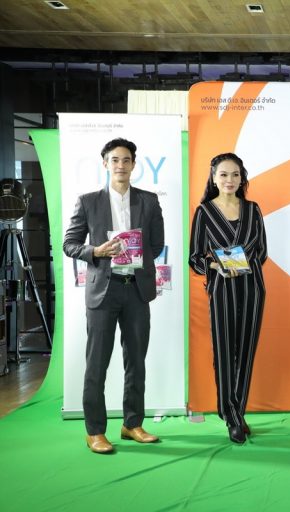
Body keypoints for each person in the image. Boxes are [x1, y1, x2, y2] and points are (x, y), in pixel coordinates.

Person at [63, 137, 165, 454]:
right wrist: (96, 251)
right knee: (97, 365)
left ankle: (132, 424)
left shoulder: (149, 201)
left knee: (136, 362)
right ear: (105, 163)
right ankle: (95, 431)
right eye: (115, 160)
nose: (121, 165)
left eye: (126, 160)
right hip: (102, 293)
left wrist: (136, 255)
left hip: (136, 290)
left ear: (134, 164)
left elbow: (157, 244)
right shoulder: (88, 201)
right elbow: (69, 244)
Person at [189, 153, 268, 444]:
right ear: (213, 178)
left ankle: (239, 410)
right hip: (222, 289)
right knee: (224, 353)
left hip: (252, 288)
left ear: (242, 178)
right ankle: (230, 416)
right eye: (223, 174)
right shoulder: (204, 212)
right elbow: (195, 258)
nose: (229, 180)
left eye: (235, 174)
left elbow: (263, 251)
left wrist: (243, 263)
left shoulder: (253, 209)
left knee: (246, 352)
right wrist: (217, 265)